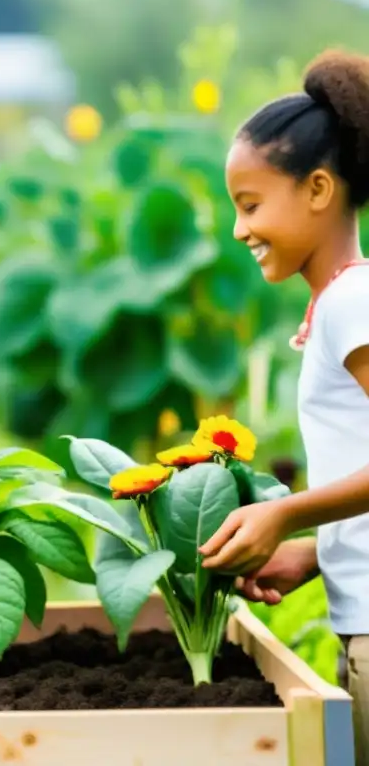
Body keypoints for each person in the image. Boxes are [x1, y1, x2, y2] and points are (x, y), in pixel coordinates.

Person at [196, 50, 369, 764]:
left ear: (320, 188)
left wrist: (285, 512)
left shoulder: (352, 304)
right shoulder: (343, 303)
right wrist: (318, 554)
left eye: (252, 204)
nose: (240, 229)